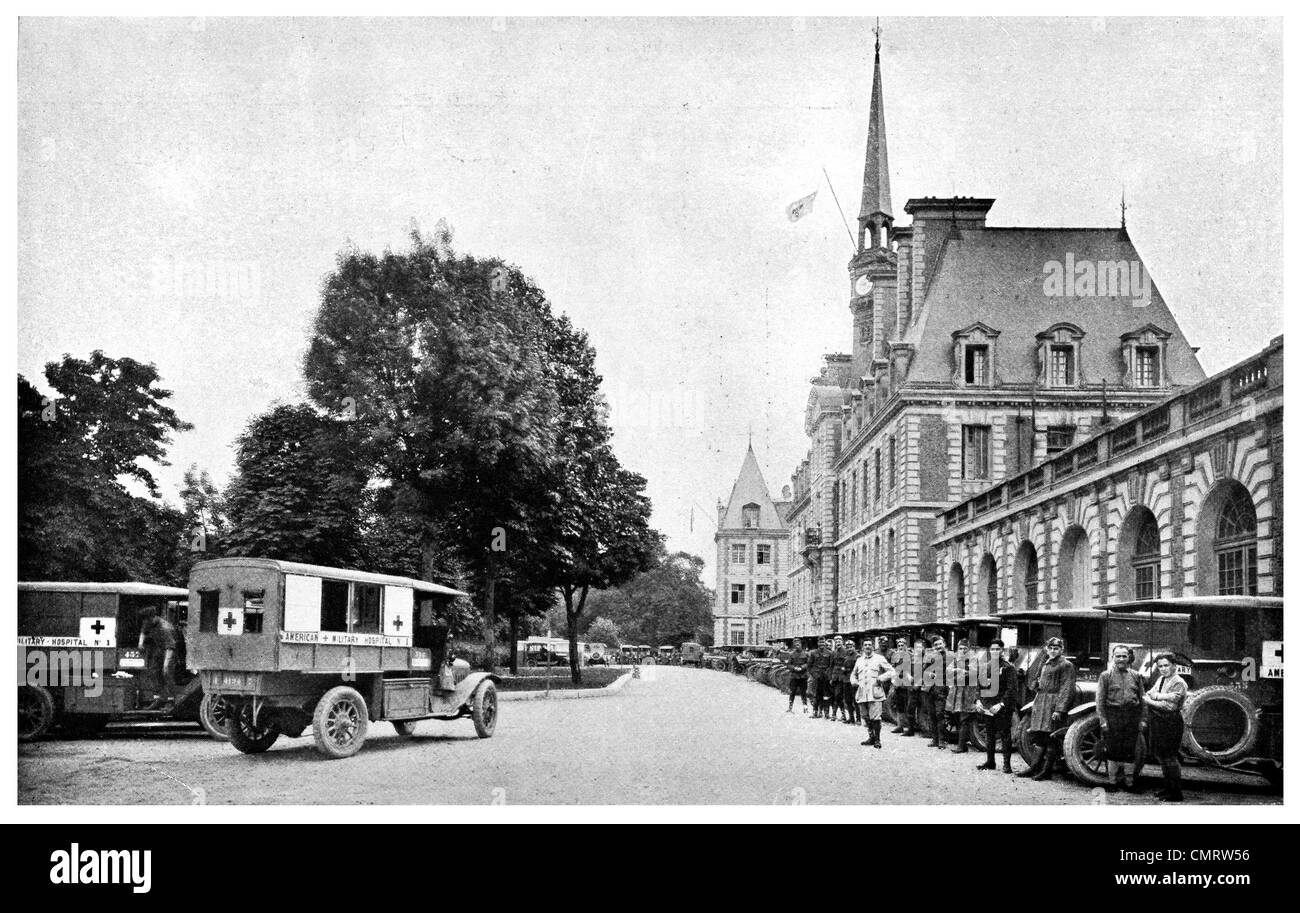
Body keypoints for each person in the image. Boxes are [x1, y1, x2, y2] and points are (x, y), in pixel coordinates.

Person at [1016, 637, 1076, 781]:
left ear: (1061, 650)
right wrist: (1035, 683)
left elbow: (1067, 688)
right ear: (1047, 649)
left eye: (1056, 648)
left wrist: (1059, 710)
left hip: (1053, 703)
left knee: (1052, 737)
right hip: (1041, 702)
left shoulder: (1066, 665)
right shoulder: (1045, 662)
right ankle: (1034, 767)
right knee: (1040, 736)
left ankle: (1046, 771)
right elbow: (1035, 683)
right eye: (1051, 648)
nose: (1053, 651)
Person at [1096, 645, 1145, 792]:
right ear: (1113, 658)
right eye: (1118, 656)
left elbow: (1143, 699)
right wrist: (1103, 721)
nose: (1121, 659)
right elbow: (1099, 700)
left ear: (1129, 658)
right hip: (1113, 715)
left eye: (1124, 656)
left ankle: (1129, 783)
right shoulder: (1106, 676)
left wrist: (1143, 719)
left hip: (1132, 715)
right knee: (1112, 749)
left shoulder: (1136, 676)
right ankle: (1112, 783)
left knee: (1129, 750)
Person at [1143, 653, 1188, 802]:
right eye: (1160, 666)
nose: (1163, 669)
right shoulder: (1161, 679)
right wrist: (1160, 696)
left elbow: (1169, 706)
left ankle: (1176, 793)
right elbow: (1150, 692)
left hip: (1171, 721)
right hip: (1158, 720)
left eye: (1166, 665)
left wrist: (1152, 699)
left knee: (1170, 757)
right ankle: (1167, 788)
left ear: (1174, 666)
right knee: (1161, 757)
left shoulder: (1179, 682)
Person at [975, 639, 1017, 774]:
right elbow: (979, 686)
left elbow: (1011, 690)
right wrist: (978, 701)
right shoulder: (986, 667)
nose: (994, 652)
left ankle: (1007, 765)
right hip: (988, 706)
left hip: (1002, 707)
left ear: (1002, 651)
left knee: (1005, 734)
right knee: (990, 734)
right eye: (992, 649)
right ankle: (990, 761)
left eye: (997, 649)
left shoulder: (1008, 667)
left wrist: (1001, 704)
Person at [851, 637, 896, 748]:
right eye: (865, 645)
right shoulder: (859, 660)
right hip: (862, 693)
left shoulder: (879, 658)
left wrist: (881, 678)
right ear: (862, 647)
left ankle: (877, 739)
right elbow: (853, 674)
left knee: (876, 717)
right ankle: (871, 737)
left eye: (869, 644)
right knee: (865, 717)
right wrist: (854, 681)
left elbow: (891, 671)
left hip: (875, 692)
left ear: (873, 646)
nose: (867, 646)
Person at [138, 605, 178, 711]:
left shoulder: (165, 628)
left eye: (146, 620)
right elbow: (143, 631)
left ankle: (170, 700)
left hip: (169, 651)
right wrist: (140, 642)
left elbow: (171, 647)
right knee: (153, 671)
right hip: (160, 649)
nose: (145, 623)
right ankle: (159, 699)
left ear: (152, 617)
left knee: (166, 673)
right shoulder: (149, 622)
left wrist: (166, 664)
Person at [945, 638, 980, 753]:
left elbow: (972, 673)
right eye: (960, 648)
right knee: (957, 716)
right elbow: (948, 671)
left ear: (968, 649)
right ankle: (962, 744)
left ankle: (961, 746)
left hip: (968, 692)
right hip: (957, 692)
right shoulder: (956, 658)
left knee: (964, 718)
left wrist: (958, 672)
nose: (963, 650)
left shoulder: (973, 658)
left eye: (965, 648)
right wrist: (960, 671)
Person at [921, 636, 950, 749]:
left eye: (940, 644)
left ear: (944, 644)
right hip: (930, 689)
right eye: (936, 645)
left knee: (940, 714)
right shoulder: (931, 657)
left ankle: (942, 741)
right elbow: (924, 670)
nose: (938, 646)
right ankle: (935, 739)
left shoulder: (950, 657)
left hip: (942, 688)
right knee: (932, 714)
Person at [888, 637, 917, 735]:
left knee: (909, 706)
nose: (900, 647)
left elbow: (913, 669)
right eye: (899, 645)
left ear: (906, 646)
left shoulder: (911, 656)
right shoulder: (895, 656)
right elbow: (893, 667)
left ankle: (910, 728)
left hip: (908, 685)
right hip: (898, 684)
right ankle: (900, 726)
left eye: (902, 645)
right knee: (899, 705)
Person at [808, 638, 834, 719]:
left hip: (825, 678)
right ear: (817, 643)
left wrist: (828, 674)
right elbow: (809, 666)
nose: (821, 644)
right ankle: (815, 712)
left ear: (825, 643)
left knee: (826, 695)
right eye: (820, 642)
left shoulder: (830, 653)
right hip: (817, 677)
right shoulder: (813, 653)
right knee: (816, 695)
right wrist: (815, 675)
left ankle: (826, 712)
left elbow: (831, 666)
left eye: (823, 642)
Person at [836, 639, 860, 724]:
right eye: (848, 647)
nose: (849, 649)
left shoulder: (857, 656)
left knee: (855, 700)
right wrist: (843, 669)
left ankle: (858, 719)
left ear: (854, 647)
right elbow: (842, 667)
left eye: (851, 647)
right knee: (847, 700)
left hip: (854, 681)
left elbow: (859, 669)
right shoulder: (845, 657)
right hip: (846, 680)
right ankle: (851, 718)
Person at [786, 641, 810, 714]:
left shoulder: (806, 654)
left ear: (801, 645)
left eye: (798, 644)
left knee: (803, 693)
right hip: (794, 676)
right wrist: (794, 668)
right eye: (796, 645)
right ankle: (790, 708)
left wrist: (802, 667)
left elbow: (808, 663)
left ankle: (805, 708)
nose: (797, 646)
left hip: (803, 676)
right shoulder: (791, 654)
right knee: (792, 692)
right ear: (794, 646)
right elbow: (788, 665)